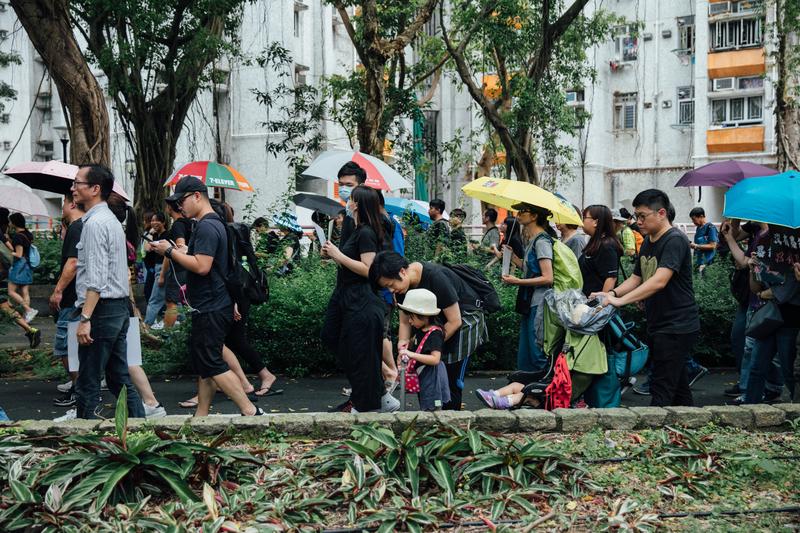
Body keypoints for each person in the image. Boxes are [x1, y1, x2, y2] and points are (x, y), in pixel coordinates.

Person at [151, 176, 263, 417]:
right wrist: (185, 251)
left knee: (211, 362)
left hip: (210, 304)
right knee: (205, 364)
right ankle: (201, 416)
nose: (180, 207)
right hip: (215, 301)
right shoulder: (215, 223)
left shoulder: (206, 226)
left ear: (197, 196)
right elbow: (212, 262)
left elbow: (202, 266)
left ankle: (250, 409)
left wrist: (169, 251)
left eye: (182, 201)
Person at [593, 189, 700, 407]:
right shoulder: (649, 241)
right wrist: (611, 294)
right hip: (659, 322)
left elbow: (660, 280)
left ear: (661, 213)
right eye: (637, 216)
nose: (637, 221)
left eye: (643, 216)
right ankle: (689, 428)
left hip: (677, 325)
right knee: (677, 387)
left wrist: (620, 301)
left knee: (661, 386)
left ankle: (655, 433)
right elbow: (636, 278)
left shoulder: (675, 240)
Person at [370, 251, 489, 411]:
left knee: (449, 376)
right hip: (436, 325)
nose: (391, 290)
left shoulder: (435, 277)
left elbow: (455, 320)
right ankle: (431, 418)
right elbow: (405, 321)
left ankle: (451, 422)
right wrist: (403, 347)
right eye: (387, 287)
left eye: (391, 285)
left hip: (464, 320)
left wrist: (427, 345)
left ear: (402, 272)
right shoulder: (402, 291)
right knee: (427, 371)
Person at [71, 164, 144, 419]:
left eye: (77, 183)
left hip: (101, 310)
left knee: (89, 380)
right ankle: (141, 429)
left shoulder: (93, 224)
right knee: (118, 378)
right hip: (117, 307)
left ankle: (84, 440)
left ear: (94, 189)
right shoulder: (110, 220)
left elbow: (96, 278)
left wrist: (85, 319)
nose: (73, 188)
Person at [321, 185, 398, 413]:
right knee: (336, 340)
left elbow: (369, 269)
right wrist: (333, 255)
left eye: (351, 198)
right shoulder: (356, 229)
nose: (347, 201)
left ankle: (368, 406)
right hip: (348, 297)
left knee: (360, 355)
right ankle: (382, 397)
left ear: (357, 204)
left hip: (361, 299)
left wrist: (339, 255)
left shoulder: (366, 232)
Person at [720, 220, 783, 403]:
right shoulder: (757, 230)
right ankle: (751, 391)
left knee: (768, 351)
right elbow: (745, 263)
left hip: (774, 302)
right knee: (750, 348)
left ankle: (767, 389)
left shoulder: (776, 235)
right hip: (756, 301)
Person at [742, 224, 800, 405]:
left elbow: (783, 292)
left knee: (789, 370)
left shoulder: (794, 252)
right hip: (768, 319)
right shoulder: (765, 247)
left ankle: (794, 405)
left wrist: (764, 294)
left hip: (790, 319)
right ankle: (749, 406)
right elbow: (756, 288)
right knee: (757, 367)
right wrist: (752, 270)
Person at [501, 203, 555, 373]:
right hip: (529, 300)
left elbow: (548, 277)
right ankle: (528, 390)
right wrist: (513, 257)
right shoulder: (532, 240)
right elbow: (529, 269)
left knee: (536, 348)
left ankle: (545, 391)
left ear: (534, 216)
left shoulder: (542, 241)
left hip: (539, 302)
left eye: (524, 211)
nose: (519, 213)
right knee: (526, 350)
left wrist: (517, 282)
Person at [50, 195, 85, 408]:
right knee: (72, 348)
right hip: (77, 299)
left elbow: (73, 262)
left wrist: (58, 291)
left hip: (72, 299)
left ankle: (80, 391)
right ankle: (80, 389)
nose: (61, 208)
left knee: (65, 349)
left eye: (63, 203)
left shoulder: (76, 227)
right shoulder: (78, 227)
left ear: (71, 204)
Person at [397, 288, 451, 411]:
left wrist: (410, 354)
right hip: (424, 375)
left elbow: (435, 359)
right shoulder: (421, 329)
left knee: (431, 407)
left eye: (412, 317)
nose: (409, 321)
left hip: (433, 377)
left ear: (424, 316)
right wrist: (407, 344)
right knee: (424, 402)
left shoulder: (435, 334)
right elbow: (418, 344)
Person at [0, 208, 40, 347]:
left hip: (13, 268)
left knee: (7, 300)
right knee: (10, 302)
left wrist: (12, 252)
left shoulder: (14, 236)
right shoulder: (25, 234)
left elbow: (15, 252)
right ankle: (29, 324)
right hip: (21, 267)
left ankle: (30, 318)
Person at [156, 201, 194, 330]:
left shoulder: (178, 225)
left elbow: (179, 247)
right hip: (191, 267)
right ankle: (189, 330)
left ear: (169, 208)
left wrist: (162, 275)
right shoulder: (190, 223)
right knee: (188, 302)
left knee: (171, 303)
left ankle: (167, 334)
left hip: (179, 270)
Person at [579, 205, 622, 297]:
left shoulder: (607, 245)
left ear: (596, 222)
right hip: (588, 301)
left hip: (597, 306)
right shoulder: (595, 242)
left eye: (584, 217)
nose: (582, 221)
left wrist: (601, 305)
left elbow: (611, 278)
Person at [5, 212, 37, 323]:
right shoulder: (27, 233)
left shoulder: (18, 236)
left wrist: (8, 252)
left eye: (10, 221)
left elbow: (18, 254)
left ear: (14, 222)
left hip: (19, 266)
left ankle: (29, 310)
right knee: (25, 291)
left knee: (11, 292)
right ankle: (27, 316)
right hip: (27, 265)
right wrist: (9, 239)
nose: (9, 223)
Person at [143, 213, 168, 326]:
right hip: (157, 268)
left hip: (162, 268)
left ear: (163, 222)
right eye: (152, 220)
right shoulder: (156, 235)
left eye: (157, 220)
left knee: (154, 300)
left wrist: (162, 274)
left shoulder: (167, 235)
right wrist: (150, 233)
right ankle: (181, 322)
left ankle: (147, 326)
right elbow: (147, 248)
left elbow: (168, 256)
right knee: (173, 300)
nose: (154, 223)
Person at [689, 207, 719, 274]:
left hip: (708, 264)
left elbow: (713, 245)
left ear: (701, 216)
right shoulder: (698, 229)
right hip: (698, 263)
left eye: (694, 219)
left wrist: (696, 246)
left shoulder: (710, 228)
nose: (693, 222)